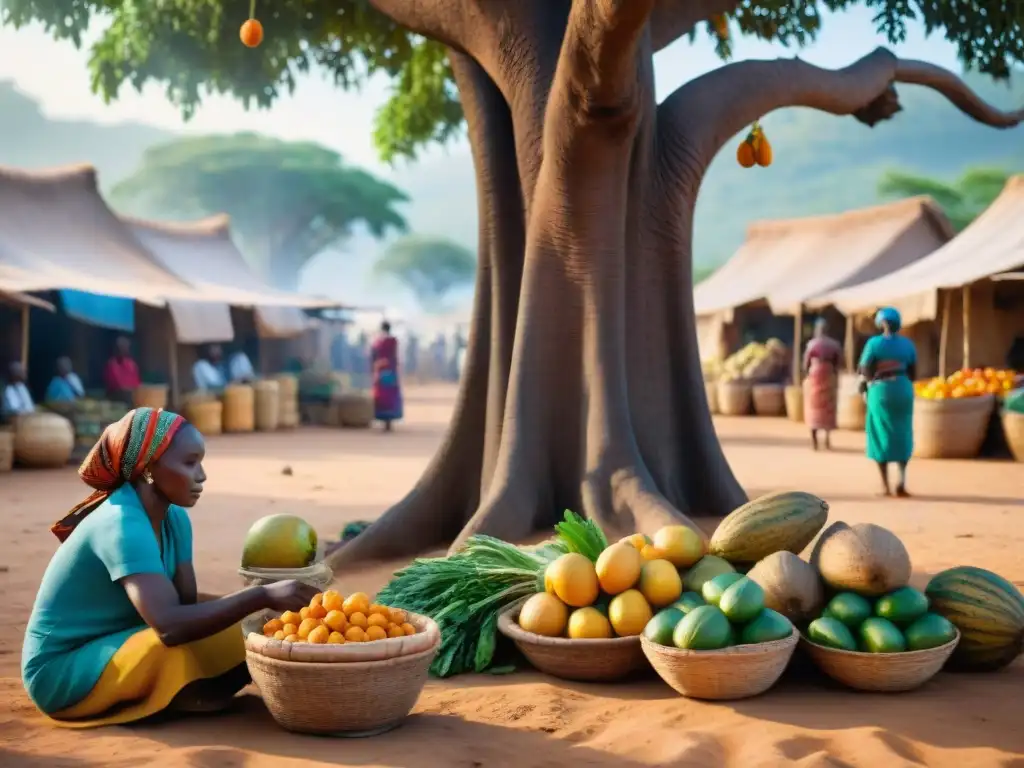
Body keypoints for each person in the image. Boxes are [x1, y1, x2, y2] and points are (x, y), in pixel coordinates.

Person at [21, 407, 318, 728]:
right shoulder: (121, 524)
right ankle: (185, 694)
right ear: (148, 468)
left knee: (258, 628)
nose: (201, 475)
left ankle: (189, 692)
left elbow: (185, 604)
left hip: (127, 639)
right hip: (62, 670)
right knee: (168, 651)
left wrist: (265, 609)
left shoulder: (174, 519)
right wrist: (261, 595)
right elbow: (170, 626)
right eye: (190, 463)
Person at [858, 307, 917, 497]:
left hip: (881, 391)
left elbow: (865, 368)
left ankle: (885, 486)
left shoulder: (874, 343)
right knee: (903, 432)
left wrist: (868, 384)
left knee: (879, 432)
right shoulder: (908, 345)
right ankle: (902, 481)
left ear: (881, 323)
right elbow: (914, 372)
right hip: (903, 389)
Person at [802, 318, 843, 451]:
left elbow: (806, 363)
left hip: (814, 374)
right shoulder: (834, 344)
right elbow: (839, 361)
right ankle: (826, 439)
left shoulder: (811, 344)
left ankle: (814, 441)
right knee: (828, 407)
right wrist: (833, 372)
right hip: (829, 374)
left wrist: (807, 373)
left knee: (813, 406)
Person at [370, 321, 403, 431]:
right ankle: (389, 422)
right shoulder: (393, 341)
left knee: (382, 396)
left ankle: (384, 422)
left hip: (381, 371)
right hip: (391, 371)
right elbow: (395, 357)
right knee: (390, 396)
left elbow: (373, 356)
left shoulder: (378, 341)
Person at [103, 336, 141, 402]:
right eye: (121, 347)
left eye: (126, 347)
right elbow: (116, 384)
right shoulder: (112, 364)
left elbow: (137, 382)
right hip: (117, 399)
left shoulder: (131, 364)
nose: (124, 349)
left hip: (132, 397)